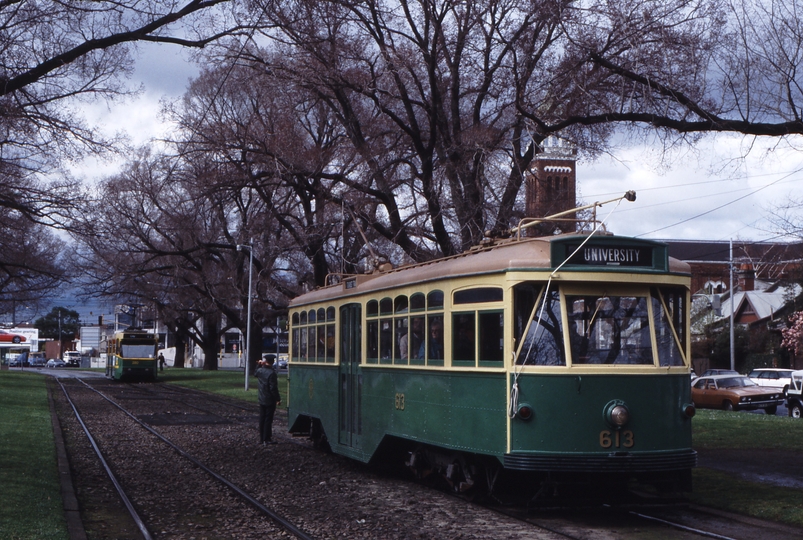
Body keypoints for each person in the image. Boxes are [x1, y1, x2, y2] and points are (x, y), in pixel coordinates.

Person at [255, 354, 281, 445]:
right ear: (272, 362)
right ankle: (267, 438)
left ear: (265, 361)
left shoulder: (260, 370)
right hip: (269, 399)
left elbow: (255, 373)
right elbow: (273, 388)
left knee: (262, 418)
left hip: (261, 397)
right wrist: (277, 399)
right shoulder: (272, 373)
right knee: (268, 419)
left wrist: (259, 364)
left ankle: (262, 438)